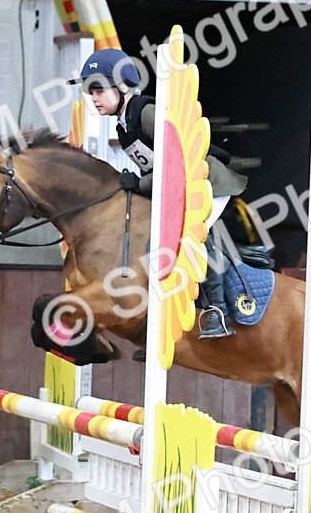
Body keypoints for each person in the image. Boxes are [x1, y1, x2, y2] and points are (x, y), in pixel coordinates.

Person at [68, 48, 248, 340]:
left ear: (122, 86)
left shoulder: (146, 113)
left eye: (99, 90)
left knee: (194, 235)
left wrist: (139, 185)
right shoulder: (124, 124)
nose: (94, 99)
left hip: (206, 182)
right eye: (91, 92)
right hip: (181, 185)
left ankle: (217, 311)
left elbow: (173, 165)